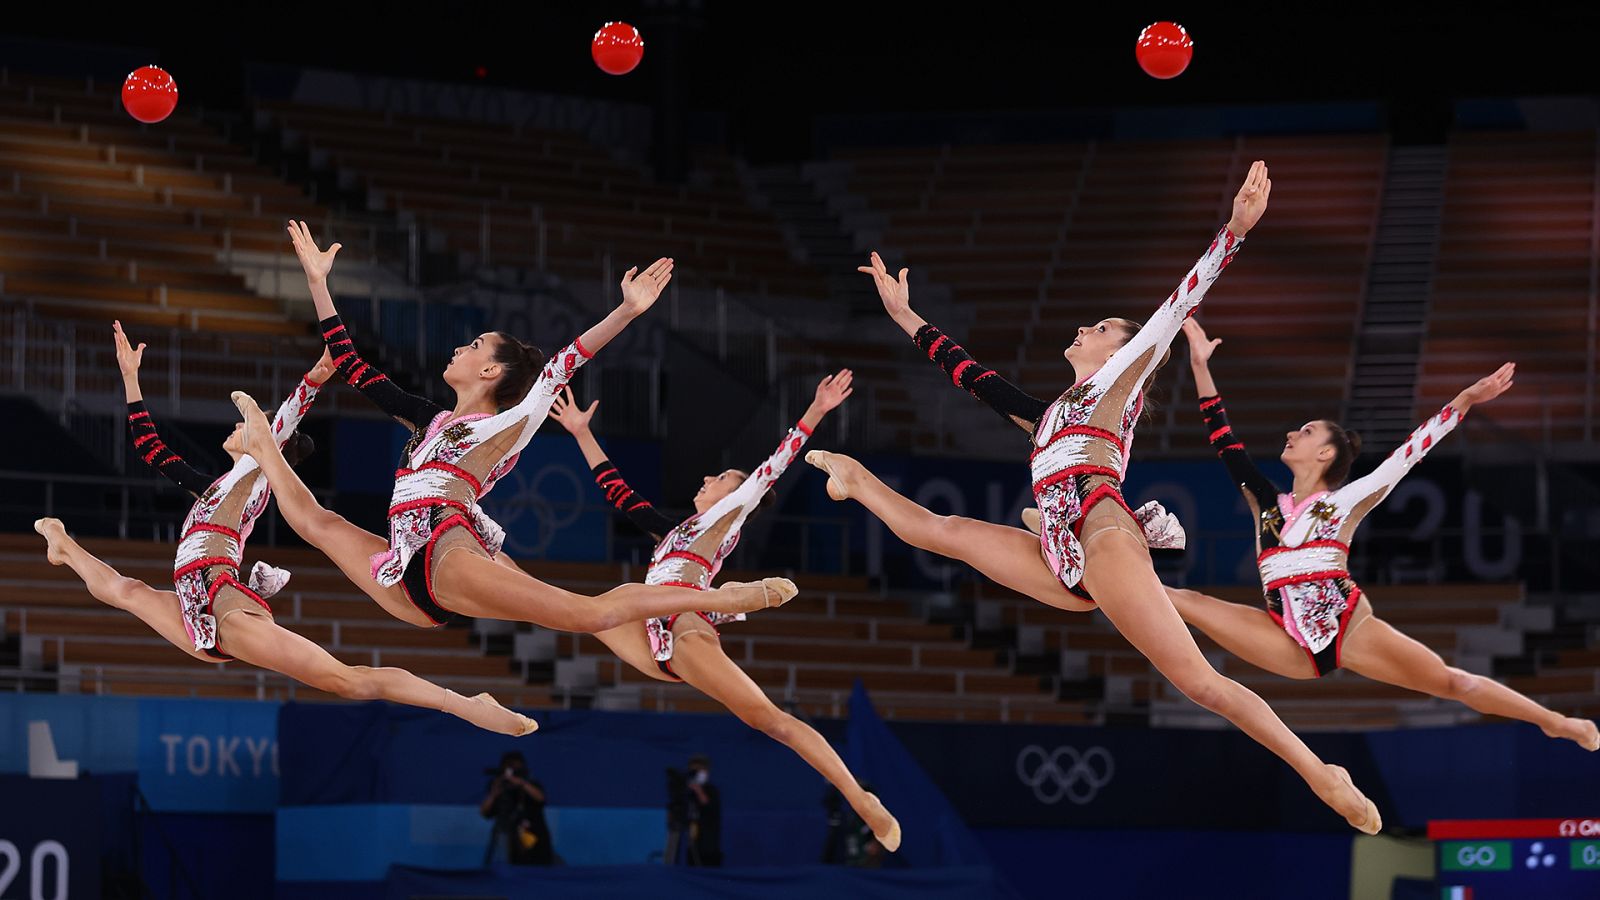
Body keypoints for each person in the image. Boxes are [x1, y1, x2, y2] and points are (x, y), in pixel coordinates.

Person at [810, 162, 1382, 833]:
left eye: (1104, 326)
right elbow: (972, 376)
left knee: (1198, 683)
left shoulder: (1119, 382)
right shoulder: (1050, 412)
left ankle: (1321, 773)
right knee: (945, 531)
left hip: (1102, 529)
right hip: (1063, 550)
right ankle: (853, 474)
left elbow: (1180, 303)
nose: (1088, 328)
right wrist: (906, 315)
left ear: (1125, 348)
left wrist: (1233, 232)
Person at [228, 221, 796, 638]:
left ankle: (723, 596)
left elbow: (565, 362)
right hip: (403, 574)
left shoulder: (508, 423)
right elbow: (353, 365)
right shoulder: (429, 417)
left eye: (473, 345)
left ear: (491, 370)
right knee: (316, 521)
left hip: (448, 552)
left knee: (587, 613)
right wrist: (318, 284)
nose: (459, 347)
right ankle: (261, 438)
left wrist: (625, 312)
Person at [33, 323, 534, 736]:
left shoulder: (254, 477)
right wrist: (131, 381)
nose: (235, 432)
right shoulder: (213, 486)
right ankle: (64, 547)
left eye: (251, 430)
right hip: (193, 610)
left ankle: (466, 704)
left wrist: (314, 378)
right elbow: (151, 450)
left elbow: (285, 422)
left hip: (223, 600)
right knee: (128, 590)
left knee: (347, 681)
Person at [1164, 318, 1597, 751]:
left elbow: (1412, 451)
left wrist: (1465, 399)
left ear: (1326, 453)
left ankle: (1555, 721)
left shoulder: (1347, 500)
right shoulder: (1266, 502)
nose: (1293, 434)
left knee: (1452, 681)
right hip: (1284, 640)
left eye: (1307, 431)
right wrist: (1201, 364)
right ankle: (1096, 584)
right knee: (1185, 600)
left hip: (1350, 626)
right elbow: (1224, 441)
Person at [546, 372, 901, 851]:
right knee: (572, 612)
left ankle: (861, 799)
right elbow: (619, 494)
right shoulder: (676, 532)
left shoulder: (724, 520)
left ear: (735, 499)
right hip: (650, 636)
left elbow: (772, 467)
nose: (708, 479)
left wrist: (815, 410)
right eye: (714, 477)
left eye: (721, 479)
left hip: (683, 627)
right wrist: (582, 433)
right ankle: (496, 563)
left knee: (770, 721)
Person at [480, 751, 554, 865]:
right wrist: (494, 793)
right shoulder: (499, 786)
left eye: (515, 768)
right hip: (509, 837)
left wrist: (521, 783)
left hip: (534, 835)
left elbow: (540, 798)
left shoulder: (530, 783)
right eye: (509, 767)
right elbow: (484, 812)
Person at [684, 754, 722, 867]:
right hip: (693, 844)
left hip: (709, 845)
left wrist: (698, 790)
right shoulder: (688, 794)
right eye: (694, 771)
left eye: (700, 770)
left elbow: (709, 806)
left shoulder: (712, 791)